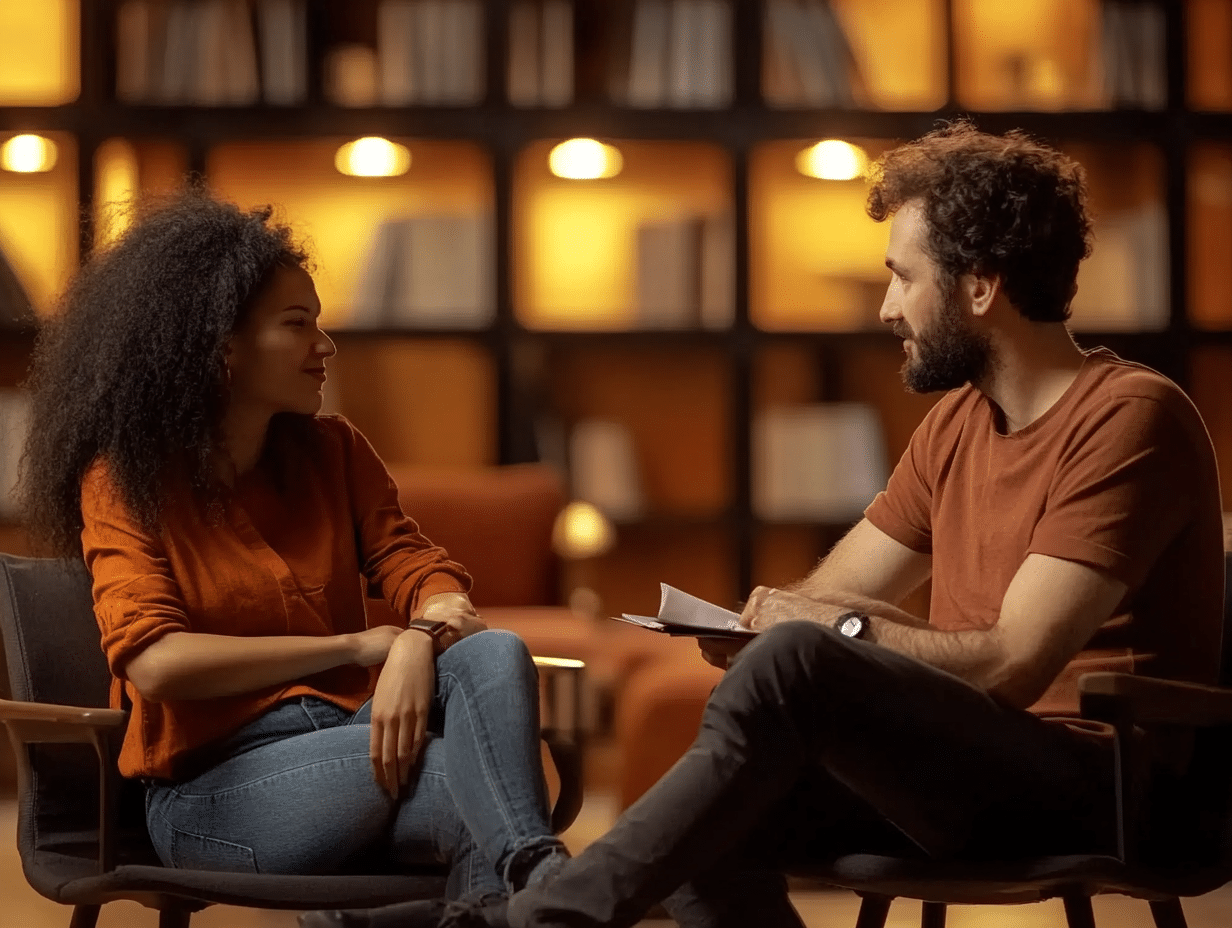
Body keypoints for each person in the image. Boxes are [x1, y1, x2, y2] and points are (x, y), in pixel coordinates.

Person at [305, 121, 1226, 928]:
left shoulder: (1128, 415)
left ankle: (549, 916)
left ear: (981, 286)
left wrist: (823, 634)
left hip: (1098, 785)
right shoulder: (957, 423)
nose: (886, 308)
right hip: (967, 769)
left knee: (796, 659)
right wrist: (766, 627)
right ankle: (546, 912)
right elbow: (832, 595)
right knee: (722, 814)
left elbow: (1011, 664)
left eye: (902, 278)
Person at [18, 191, 570, 908]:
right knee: (471, 782)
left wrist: (419, 637)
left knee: (493, 656)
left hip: (356, 737)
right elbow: (156, 663)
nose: (325, 345)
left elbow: (420, 567)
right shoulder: (125, 480)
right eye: (297, 324)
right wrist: (358, 646)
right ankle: (556, 888)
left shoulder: (334, 450)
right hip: (216, 791)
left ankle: (542, 884)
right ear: (221, 347)